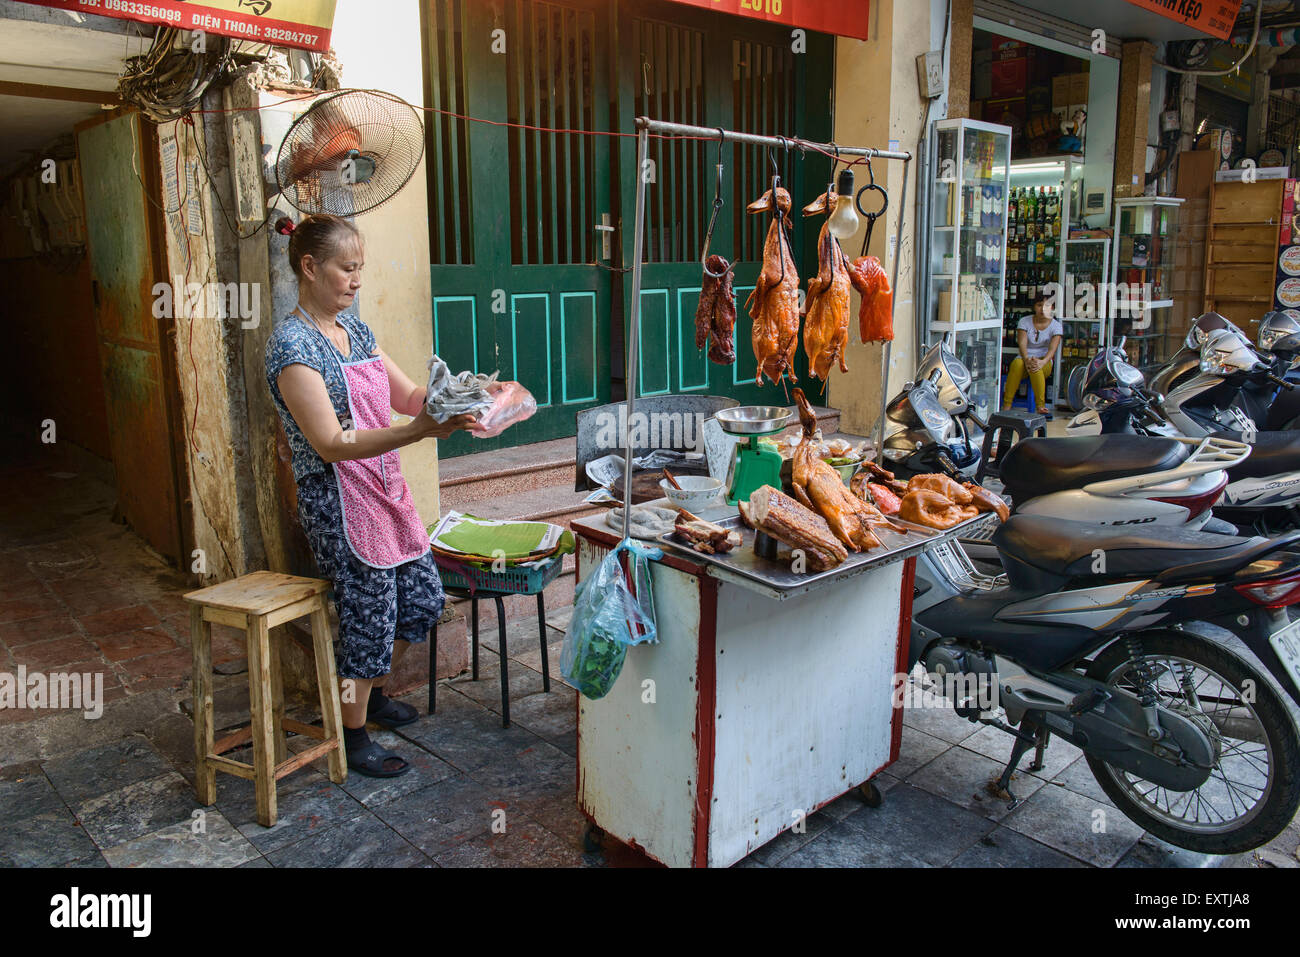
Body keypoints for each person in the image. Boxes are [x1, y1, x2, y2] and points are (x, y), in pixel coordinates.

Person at [264, 213, 481, 778]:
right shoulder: (291, 346)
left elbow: (408, 395)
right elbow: (331, 444)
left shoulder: (355, 330)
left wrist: (461, 400)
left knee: (422, 600)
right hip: (337, 498)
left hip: (383, 488)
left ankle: (373, 694)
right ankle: (351, 733)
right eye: (347, 268)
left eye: (361, 268)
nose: (357, 279)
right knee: (368, 615)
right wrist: (419, 432)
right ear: (309, 267)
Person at [1002, 289, 1063, 415]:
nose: (1042, 309)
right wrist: (1026, 359)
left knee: (1036, 367)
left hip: (1045, 361)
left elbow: (1053, 349)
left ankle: (1040, 406)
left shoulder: (1056, 326)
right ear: (1034, 306)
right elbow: (1022, 344)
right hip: (1024, 359)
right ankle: (1007, 405)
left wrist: (1042, 362)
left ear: (1052, 308)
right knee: (1018, 364)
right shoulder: (1024, 321)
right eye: (1039, 305)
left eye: (1047, 305)